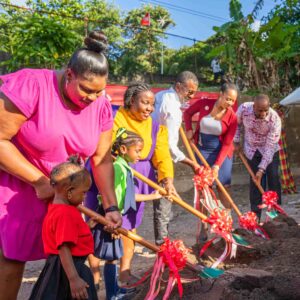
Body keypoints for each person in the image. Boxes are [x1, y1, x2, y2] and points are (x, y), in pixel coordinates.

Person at [0, 30, 122, 299]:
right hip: (20, 183)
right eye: (86, 89)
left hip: (64, 193)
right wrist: (40, 182)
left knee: (60, 256)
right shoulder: (33, 85)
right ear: (69, 74)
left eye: (99, 91)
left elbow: (101, 159)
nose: (92, 98)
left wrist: (111, 205)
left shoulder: (100, 104)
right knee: (11, 259)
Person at [88, 128, 161, 299]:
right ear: (123, 150)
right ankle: (111, 294)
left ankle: (115, 290)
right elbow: (116, 196)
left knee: (113, 256)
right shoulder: (118, 169)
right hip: (110, 218)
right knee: (111, 257)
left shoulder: (124, 167)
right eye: (137, 151)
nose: (140, 155)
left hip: (113, 217)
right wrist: (112, 223)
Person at [114, 82, 176, 283]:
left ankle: (124, 271)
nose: (149, 108)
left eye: (152, 104)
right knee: (112, 224)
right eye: (145, 102)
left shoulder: (155, 125)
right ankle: (99, 275)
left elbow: (162, 155)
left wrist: (167, 179)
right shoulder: (117, 117)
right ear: (132, 101)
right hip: (118, 174)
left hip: (141, 177)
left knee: (130, 225)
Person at [29, 158, 97, 299]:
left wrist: (87, 227)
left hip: (57, 268)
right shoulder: (67, 213)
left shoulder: (55, 208)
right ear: (70, 191)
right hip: (69, 269)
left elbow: (64, 234)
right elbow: (64, 247)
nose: (84, 197)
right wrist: (74, 279)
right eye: (83, 192)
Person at [184, 83, 238, 240]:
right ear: (220, 94)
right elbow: (187, 114)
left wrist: (216, 166)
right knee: (204, 189)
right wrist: (189, 129)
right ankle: (204, 227)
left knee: (223, 188)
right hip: (202, 151)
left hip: (222, 154)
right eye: (227, 99)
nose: (229, 103)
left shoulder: (232, 117)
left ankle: (225, 224)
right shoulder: (204, 103)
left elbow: (227, 143)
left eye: (232, 101)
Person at [234, 94, 282, 219]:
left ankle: (277, 217)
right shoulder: (244, 109)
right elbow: (236, 124)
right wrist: (236, 141)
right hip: (251, 150)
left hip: (269, 151)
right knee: (256, 183)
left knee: (273, 180)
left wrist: (262, 169)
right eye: (260, 110)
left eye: (265, 110)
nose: (263, 114)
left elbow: (270, 146)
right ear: (253, 106)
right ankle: (255, 217)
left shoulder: (275, 119)